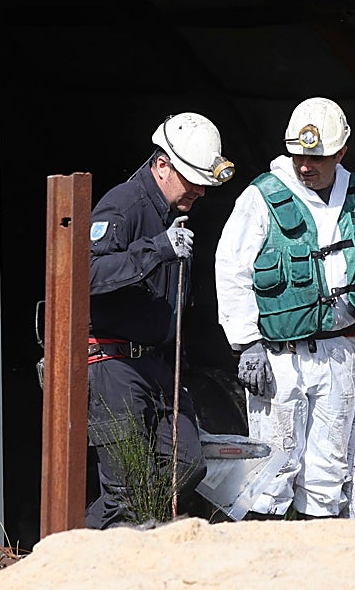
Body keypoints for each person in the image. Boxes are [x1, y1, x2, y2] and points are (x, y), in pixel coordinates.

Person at [215, 97, 355, 519]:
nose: (305, 165)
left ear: (341, 153)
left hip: (340, 351)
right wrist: (247, 344)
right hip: (278, 358)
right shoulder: (262, 196)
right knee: (272, 470)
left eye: (317, 157)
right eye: (299, 155)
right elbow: (231, 268)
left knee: (328, 473)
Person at [86, 112, 234, 529]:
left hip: (156, 365)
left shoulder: (173, 211)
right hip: (113, 363)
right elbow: (86, 274)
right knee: (129, 490)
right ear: (163, 164)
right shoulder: (124, 205)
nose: (200, 190)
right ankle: (79, 558)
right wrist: (156, 250)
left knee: (186, 465)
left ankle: (85, 541)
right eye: (192, 179)